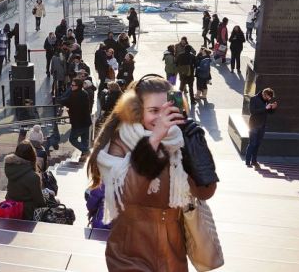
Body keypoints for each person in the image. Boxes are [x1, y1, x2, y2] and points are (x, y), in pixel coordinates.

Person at [88, 75, 216, 271]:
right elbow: (127, 193)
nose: (161, 118)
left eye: (165, 110)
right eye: (154, 111)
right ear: (137, 111)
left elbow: (204, 193)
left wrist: (197, 150)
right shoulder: (121, 141)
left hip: (173, 251)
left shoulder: (178, 139)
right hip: (130, 249)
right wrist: (154, 140)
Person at [4, 141, 47, 221]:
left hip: (9, 206)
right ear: (32, 155)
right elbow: (40, 202)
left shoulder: (9, 167)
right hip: (26, 212)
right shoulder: (33, 177)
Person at [60, 78, 94, 161]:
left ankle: (86, 151)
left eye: (73, 85)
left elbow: (63, 101)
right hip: (86, 121)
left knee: (72, 139)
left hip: (78, 123)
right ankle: (84, 157)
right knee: (84, 140)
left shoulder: (74, 95)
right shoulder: (84, 93)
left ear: (78, 86)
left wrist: (69, 91)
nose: (71, 86)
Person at [246, 88, 277, 167]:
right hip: (253, 125)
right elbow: (252, 111)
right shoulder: (254, 99)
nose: (269, 99)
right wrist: (265, 108)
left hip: (262, 125)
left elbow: (268, 112)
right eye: (268, 97)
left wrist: (272, 109)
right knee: (252, 143)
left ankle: (254, 161)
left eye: (270, 98)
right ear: (264, 94)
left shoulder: (266, 100)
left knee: (257, 144)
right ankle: (247, 161)